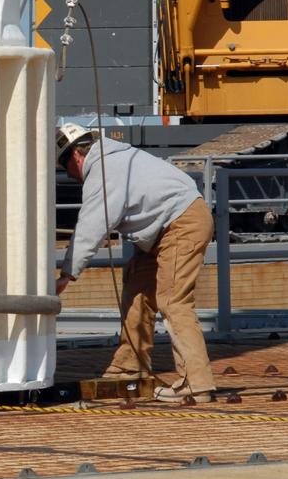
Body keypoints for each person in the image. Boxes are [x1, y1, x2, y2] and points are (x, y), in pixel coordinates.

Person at [54, 123, 217, 403]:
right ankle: (129, 366)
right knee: (137, 287)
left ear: (75, 157)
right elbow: (142, 204)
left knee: (173, 301)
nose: (71, 176)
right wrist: (143, 253)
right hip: (165, 229)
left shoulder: (104, 169)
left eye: (65, 168)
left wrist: (67, 274)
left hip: (181, 224)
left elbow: (91, 226)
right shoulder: (112, 157)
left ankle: (196, 383)